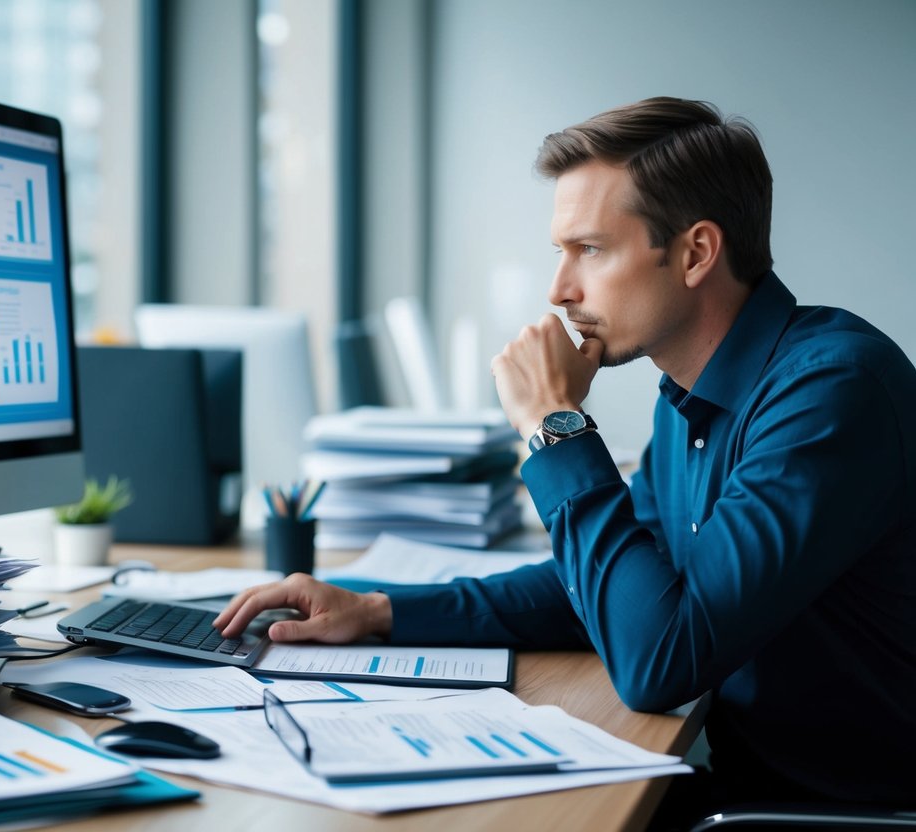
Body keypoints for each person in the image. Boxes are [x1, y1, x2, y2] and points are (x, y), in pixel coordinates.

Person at [215, 96, 916, 821]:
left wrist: (556, 426)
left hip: (833, 815)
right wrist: (376, 611)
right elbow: (617, 587)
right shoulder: (686, 399)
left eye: (590, 250)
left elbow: (658, 662)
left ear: (695, 253)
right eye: (561, 252)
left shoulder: (831, 393)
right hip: (748, 795)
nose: (559, 290)